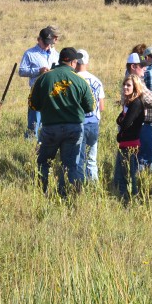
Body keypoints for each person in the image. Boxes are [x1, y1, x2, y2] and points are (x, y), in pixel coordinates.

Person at [30, 47, 95, 197]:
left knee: (44, 163)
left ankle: (43, 193)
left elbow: (33, 104)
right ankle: (66, 197)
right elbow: (90, 106)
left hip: (50, 128)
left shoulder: (44, 78)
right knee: (70, 165)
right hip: (74, 128)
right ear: (72, 62)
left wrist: (49, 108)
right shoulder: (80, 80)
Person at [19, 26, 60, 138]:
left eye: (49, 43)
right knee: (34, 122)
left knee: (51, 122)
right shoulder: (30, 54)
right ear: (39, 39)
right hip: (37, 92)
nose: (47, 45)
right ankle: (31, 144)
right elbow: (22, 71)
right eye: (45, 42)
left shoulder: (56, 54)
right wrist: (38, 71)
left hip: (53, 92)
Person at [114, 75, 148, 201]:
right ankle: (124, 198)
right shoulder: (128, 102)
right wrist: (122, 121)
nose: (125, 87)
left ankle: (129, 200)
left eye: (129, 85)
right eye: (124, 84)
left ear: (135, 87)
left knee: (127, 174)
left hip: (131, 143)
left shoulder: (136, 102)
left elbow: (125, 123)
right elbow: (119, 119)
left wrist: (122, 123)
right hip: (125, 141)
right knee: (120, 173)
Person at [74, 51, 105, 182]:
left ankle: (79, 187)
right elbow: (101, 107)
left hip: (79, 123)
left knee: (78, 160)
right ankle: (94, 186)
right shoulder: (97, 80)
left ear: (75, 61)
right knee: (92, 159)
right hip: (93, 123)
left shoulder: (73, 80)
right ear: (87, 62)